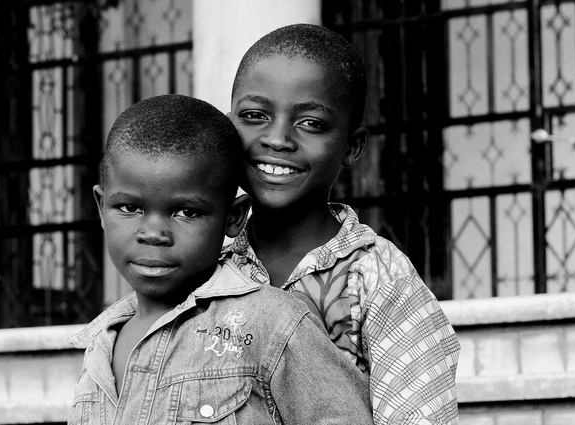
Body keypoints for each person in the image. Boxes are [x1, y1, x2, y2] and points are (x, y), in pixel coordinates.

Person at [68, 94, 375, 424]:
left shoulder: (273, 324)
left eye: (187, 212)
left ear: (234, 217)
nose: (153, 234)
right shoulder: (99, 347)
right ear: (102, 209)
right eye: (130, 208)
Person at [223, 23, 460, 424]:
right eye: (254, 115)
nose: (277, 139)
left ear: (352, 147)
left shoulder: (381, 280)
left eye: (311, 122)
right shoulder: (209, 270)